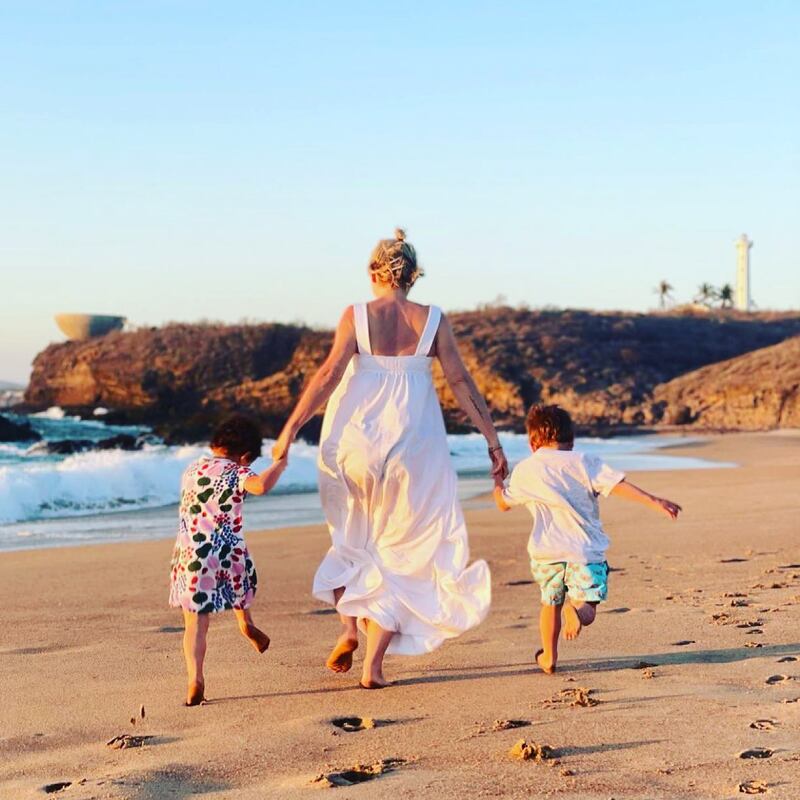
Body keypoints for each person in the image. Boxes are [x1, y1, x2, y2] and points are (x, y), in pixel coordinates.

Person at [272, 228, 508, 689]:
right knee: (401, 551)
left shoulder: (356, 315)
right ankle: (373, 666)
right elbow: (461, 383)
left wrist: (290, 429)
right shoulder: (433, 319)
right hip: (414, 448)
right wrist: (493, 441)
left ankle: (347, 627)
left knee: (353, 538)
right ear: (414, 275)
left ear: (372, 270)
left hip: (356, 443)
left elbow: (328, 374)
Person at [493, 404, 681, 674]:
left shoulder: (526, 470)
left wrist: (498, 479)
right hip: (584, 550)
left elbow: (502, 503)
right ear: (571, 440)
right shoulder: (584, 461)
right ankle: (578, 613)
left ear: (533, 443)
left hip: (546, 554)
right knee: (589, 603)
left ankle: (549, 656)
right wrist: (654, 501)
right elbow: (617, 487)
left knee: (550, 604)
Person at [169, 415, 288, 705]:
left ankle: (195, 679)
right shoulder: (237, 471)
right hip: (227, 550)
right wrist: (280, 464)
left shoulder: (192, 469)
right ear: (246, 456)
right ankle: (245, 624)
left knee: (195, 624)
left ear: (216, 443)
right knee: (238, 587)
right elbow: (259, 486)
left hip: (191, 554)